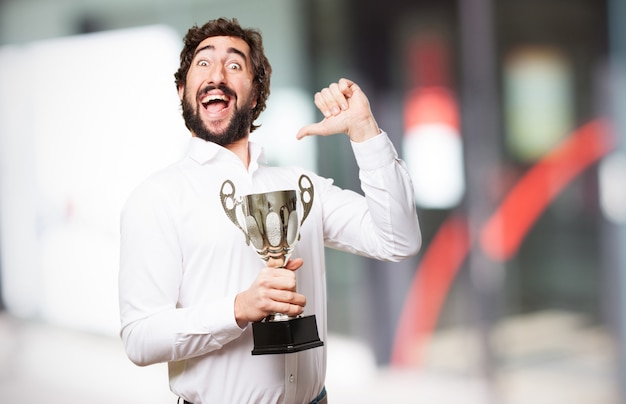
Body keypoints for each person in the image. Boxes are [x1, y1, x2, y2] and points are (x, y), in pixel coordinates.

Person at [119, 17, 421, 404]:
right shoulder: (157, 197)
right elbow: (140, 338)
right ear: (183, 90)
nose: (217, 75)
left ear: (256, 92)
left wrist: (364, 131)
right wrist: (239, 309)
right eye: (203, 63)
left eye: (234, 65)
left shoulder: (300, 185)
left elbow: (399, 239)